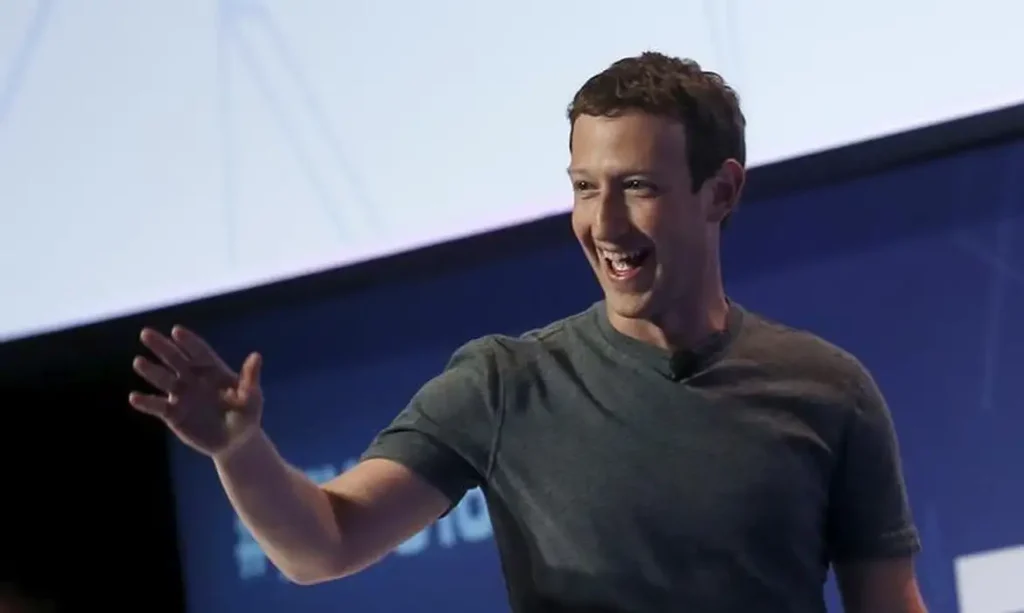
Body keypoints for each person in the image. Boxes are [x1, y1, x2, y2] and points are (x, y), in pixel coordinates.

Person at [130, 52, 927, 612]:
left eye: (637, 186)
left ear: (720, 192)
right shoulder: (504, 385)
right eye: (584, 188)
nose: (603, 223)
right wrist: (239, 449)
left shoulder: (828, 390)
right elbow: (323, 545)